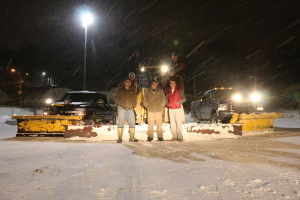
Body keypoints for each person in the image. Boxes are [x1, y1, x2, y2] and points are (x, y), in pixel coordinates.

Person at [114, 78, 138, 143]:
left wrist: (133, 105)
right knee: (121, 122)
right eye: (126, 81)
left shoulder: (133, 90)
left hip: (130, 109)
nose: (127, 83)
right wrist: (121, 104)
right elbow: (116, 98)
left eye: (129, 82)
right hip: (121, 108)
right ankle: (119, 138)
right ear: (124, 82)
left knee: (132, 122)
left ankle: (132, 137)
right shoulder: (119, 90)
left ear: (130, 83)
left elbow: (135, 99)